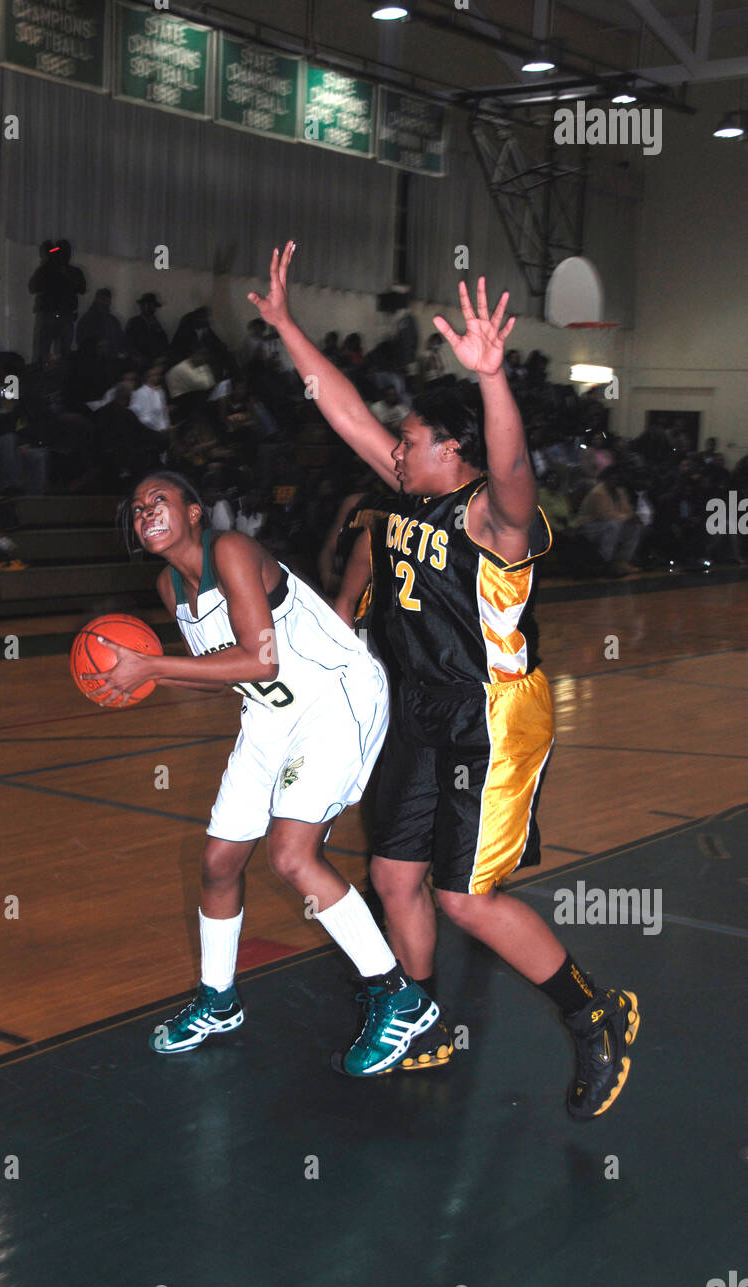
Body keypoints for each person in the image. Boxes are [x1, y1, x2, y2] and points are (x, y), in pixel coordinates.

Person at [246, 243, 641, 1119]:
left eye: (415, 440)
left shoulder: (496, 521)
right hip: (419, 713)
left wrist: (493, 379)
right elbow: (345, 411)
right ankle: (420, 1019)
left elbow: (512, 470)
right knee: (394, 879)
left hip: (490, 719)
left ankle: (594, 1013)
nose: (398, 448)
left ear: (450, 448)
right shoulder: (412, 494)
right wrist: (285, 330)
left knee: (465, 897)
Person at [87, 473, 441, 1075]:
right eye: (138, 506)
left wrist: (150, 663)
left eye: (161, 500)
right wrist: (142, 675)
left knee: (291, 856)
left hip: (335, 696)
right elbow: (224, 670)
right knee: (219, 861)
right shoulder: (170, 588)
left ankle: (398, 996)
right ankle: (218, 999)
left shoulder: (230, 551)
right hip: (270, 712)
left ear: (195, 512)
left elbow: (259, 655)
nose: (146, 510)